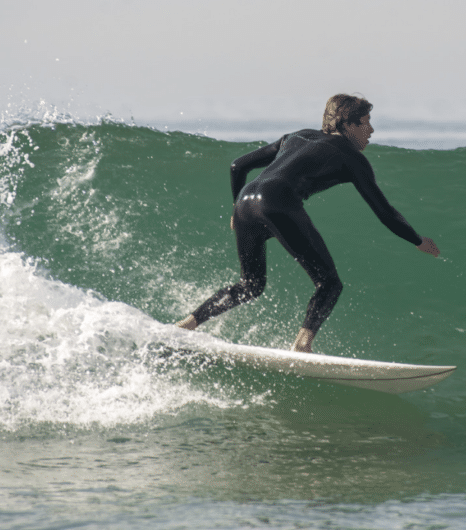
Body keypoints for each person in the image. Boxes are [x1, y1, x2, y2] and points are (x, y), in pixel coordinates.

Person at [175, 94, 440, 352]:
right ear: (347, 125)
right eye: (366, 122)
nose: (371, 130)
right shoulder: (352, 157)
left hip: (246, 202)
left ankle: (187, 324)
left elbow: (237, 166)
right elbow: (384, 212)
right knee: (329, 284)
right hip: (278, 202)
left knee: (250, 285)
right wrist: (417, 240)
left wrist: (236, 209)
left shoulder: (296, 136)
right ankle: (302, 345)